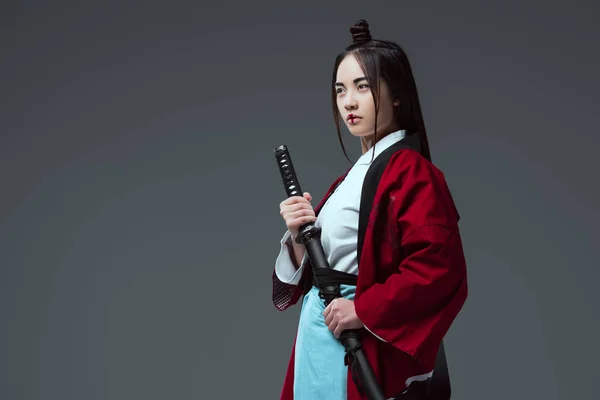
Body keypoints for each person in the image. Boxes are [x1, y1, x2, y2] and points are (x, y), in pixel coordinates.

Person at [272, 19, 468, 400]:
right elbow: (320, 267)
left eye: (363, 86)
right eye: (340, 90)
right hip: (322, 332)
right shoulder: (348, 179)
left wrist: (364, 309)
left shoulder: (413, 172)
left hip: (361, 338)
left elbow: (439, 268)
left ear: (395, 94)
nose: (348, 101)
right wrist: (298, 239)